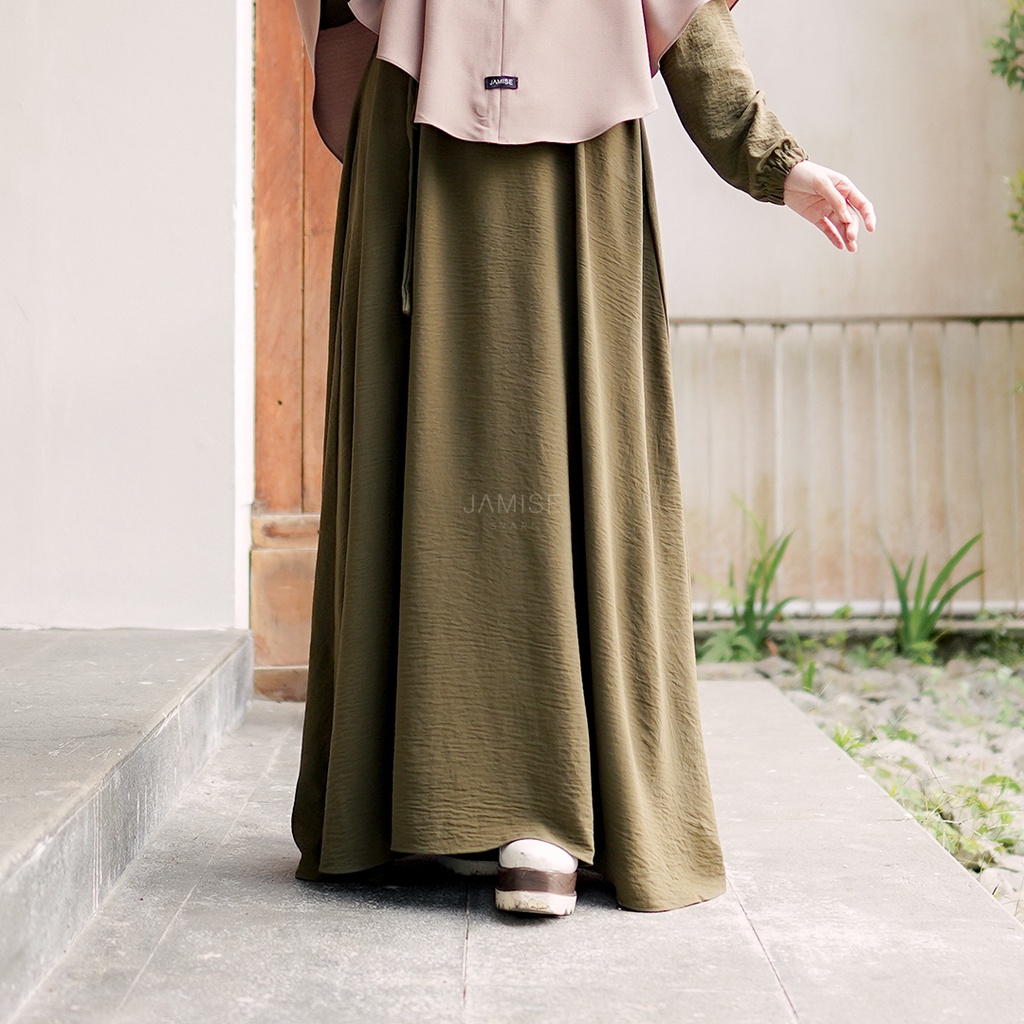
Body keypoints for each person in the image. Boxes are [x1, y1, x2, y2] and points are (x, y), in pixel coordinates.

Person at [289, 0, 876, 918]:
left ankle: (550, 814)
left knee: (554, 464)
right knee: (440, 466)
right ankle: (421, 803)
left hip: (571, 172)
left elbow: (679, 17)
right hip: (419, 154)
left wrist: (775, 161)